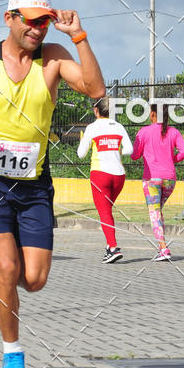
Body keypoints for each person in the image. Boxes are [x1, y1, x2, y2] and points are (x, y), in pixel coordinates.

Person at [0, 0, 106, 368]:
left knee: (33, 280)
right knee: (7, 265)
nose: (38, 29)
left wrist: (79, 37)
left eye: (45, 22)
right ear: (10, 18)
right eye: (31, 21)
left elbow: (96, 90)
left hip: (33, 186)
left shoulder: (53, 59)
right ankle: (13, 355)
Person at [130, 104, 184, 261]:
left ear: (152, 114)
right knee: (157, 211)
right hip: (170, 179)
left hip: (152, 179)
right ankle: (161, 246)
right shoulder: (174, 132)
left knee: (154, 212)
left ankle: (164, 248)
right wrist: (172, 159)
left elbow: (134, 155)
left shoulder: (143, 132)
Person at [76, 98, 133, 263]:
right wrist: (115, 152)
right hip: (119, 176)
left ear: (96, 110)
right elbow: (129, 149)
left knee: (104, 212)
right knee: (107, 211)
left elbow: (81, 154)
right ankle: (109, 247)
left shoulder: (92, 128)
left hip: (100, 174)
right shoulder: (119, 126)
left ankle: (113, 247)